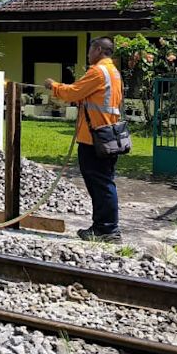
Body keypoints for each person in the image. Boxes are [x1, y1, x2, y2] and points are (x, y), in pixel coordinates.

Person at [46, 36, 124, 243]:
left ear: (98, 50)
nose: (88, 54)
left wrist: (53, 86)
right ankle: (102, 227)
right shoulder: (113, 72)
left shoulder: (98, 71)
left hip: (95, 138)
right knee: (103, 182)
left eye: (90, 50)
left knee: (101, 184)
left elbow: (73, 93)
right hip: (107, 135)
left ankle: (107, 229)